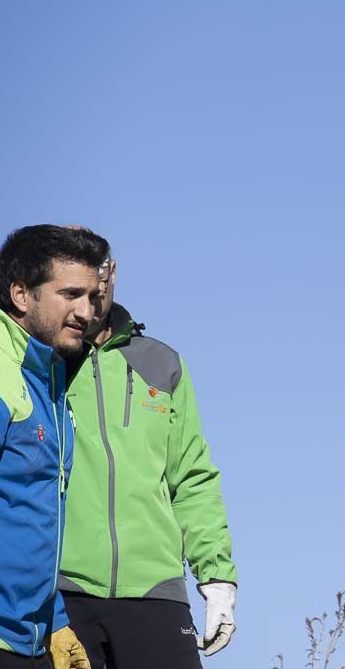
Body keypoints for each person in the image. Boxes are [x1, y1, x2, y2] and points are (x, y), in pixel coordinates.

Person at [58, 242, 238, 668]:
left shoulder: (162, 363)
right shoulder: (44, 362)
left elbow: (192, 476)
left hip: (157, 591)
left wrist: (217, 578)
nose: (92, 295)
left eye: (99, 277)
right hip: (63, 590)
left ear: (113, 272)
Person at [0, 225, 107, 669]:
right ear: (21, 294)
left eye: (91, 296)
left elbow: (33, 515)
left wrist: (58, 620)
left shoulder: (48, 382)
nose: (86, 311)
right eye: (70, 294)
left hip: (27, 636)